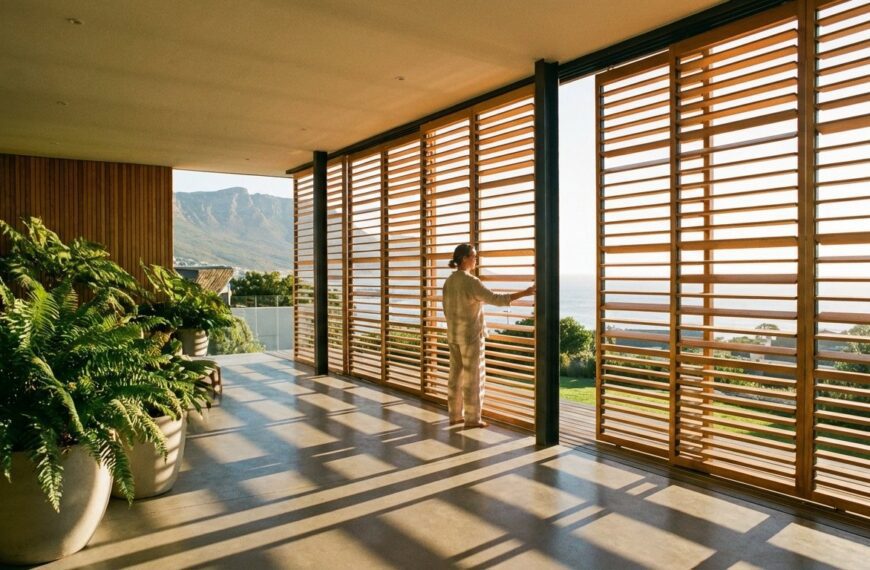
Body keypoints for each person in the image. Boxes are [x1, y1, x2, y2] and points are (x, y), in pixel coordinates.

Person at [442, 243, 535, 428]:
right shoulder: (470, 282)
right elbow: (497, 299)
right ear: (464, 259)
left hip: (453, 335)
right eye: (474, 256)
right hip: (470, 337)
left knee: (455, 377)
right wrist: (526, 292)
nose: (476, 259)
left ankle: (454, 415)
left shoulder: (449, 282)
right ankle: (472, 419)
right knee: (473, 377)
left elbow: (445, 309)